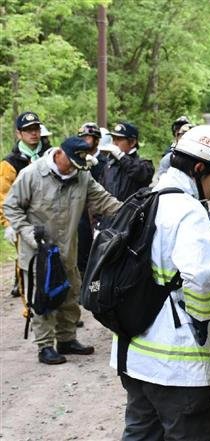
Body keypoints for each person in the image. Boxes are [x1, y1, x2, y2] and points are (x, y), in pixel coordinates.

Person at [112, 126, 210, 441]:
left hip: (133, 353)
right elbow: (201, 276)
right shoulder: (189, 210)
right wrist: (200, 322)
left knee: (141, 434)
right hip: (175, 363)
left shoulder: (145, 198)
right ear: (199, 169)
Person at [3, 137, 122, 365]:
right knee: (44, 297)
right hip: (39, 253)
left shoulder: (82, 176)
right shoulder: (32, 175)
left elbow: (104, 201)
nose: (75, 170)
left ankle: (67, 339)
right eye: (72, 164)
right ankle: (45, 346)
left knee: (70, 293)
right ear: (59, 154)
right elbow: (11, 206)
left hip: (68, 249)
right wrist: (28, 234)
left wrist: (131, 210)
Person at [1, 112, 51, 298]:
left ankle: (57, 307)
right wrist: (9, 224)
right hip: (23, 221)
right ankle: (30, 307)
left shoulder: (50, 155)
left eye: (36, 129)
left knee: (55, 262)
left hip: (51, 218)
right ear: (18, 133)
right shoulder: (10, 163)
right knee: (27, 265)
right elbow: (3, 197)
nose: (33, 133)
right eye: (28, 130)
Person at [76, 122, 108, 275]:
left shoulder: (105, 162)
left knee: (97, 255)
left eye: (87, 137)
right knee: (80, 253)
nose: (84, 141)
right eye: (82, 137)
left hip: (99, 213)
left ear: (96, 140)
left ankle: (95, 290)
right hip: (80, 214)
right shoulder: (76, 160)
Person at [99, 121, 154, 202]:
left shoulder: (144, 164)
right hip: (108, 212)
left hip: (131, 213)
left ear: (132, 142)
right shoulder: (109, 164)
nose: (115, 143)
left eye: (119, 139)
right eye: (113, 139)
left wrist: (121, 156)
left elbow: (140, 173)